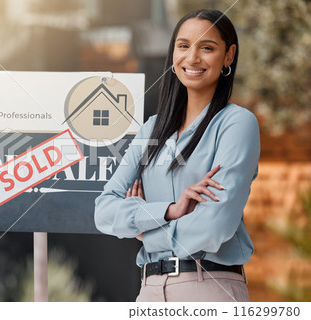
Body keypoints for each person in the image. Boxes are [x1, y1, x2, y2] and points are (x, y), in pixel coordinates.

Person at [94, 9, 260, 302]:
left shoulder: (236, 124)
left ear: (229, 56)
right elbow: (104, 211)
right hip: (149, 289)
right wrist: (170, 210)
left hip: (208, 286)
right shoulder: (151, 130)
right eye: (183, 46)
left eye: (207, 48)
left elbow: (214, 227)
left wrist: (146, 234)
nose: (192, 58)